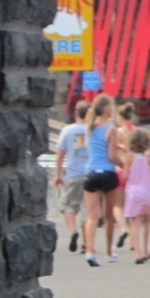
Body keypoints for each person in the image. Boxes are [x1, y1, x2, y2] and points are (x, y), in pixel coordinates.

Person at [82, 95, 122, 267]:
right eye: (111, 107)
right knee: (108, 215)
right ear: (106, 109)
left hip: (90, 172)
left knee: (92, 216)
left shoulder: (89, 128)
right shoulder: (111, 129)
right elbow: (112, 156)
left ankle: (90, 250)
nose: (112, 110)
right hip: (107, 173)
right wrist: (124, 164)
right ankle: (108, 251)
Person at [55, 100, 90, 254]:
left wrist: (57, 174)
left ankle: (73, 230)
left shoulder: (67, 131)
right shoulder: (93, 131)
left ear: (76, 113)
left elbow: (60, 153)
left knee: (67, 205)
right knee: (87, 210)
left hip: (73, 174)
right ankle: (86, 243)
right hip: (90, 174)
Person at [123, 127, 150, 264]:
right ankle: (146, 250)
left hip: (134, 192)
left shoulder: (129, 156)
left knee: (134, 223)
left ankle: (137, 253)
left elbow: (125, 176)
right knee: (147, 221)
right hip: (148, 192)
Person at [111, 101, 137, 250]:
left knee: (117, 206)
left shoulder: (118, 132)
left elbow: (114, 152)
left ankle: (123, 229)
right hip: (135, 172)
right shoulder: (136, 132)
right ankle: (134, 242)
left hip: (121, 170)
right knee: (133, 209)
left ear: (120, 117)